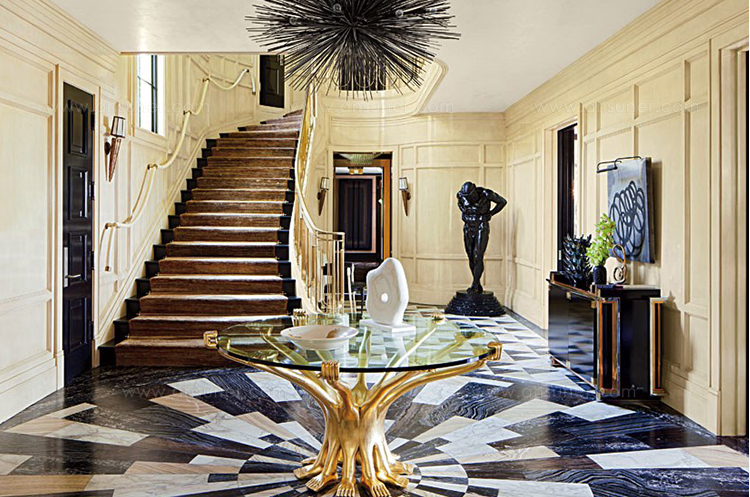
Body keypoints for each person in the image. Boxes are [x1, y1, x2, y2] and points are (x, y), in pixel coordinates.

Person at [456, 181, 507, 294]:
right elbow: (459, 203)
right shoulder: (461, 195)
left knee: (478, 256)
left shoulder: (486, 194)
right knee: (471, 256)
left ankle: (474, 284)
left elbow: (502, 202)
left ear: (474, 190)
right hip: (468, 227)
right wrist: (464, 212)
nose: (468, 198)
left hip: (481, 226)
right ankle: (477, 284)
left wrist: (491, 213)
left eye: (469, 196)